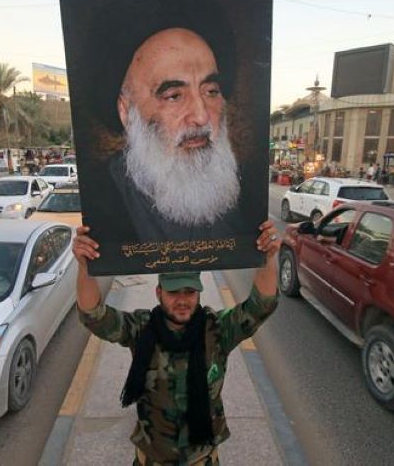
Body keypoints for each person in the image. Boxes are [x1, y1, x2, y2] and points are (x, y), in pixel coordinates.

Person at [73, 220, 281, 465]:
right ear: (159, 293)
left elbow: (261, 306)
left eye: (189, 292)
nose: (182, 300)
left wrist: (268, 258)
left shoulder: (217, 329)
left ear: (199, 293)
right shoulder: (142, 329)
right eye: (173, 292)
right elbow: (93, 316)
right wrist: (85, 266)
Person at [95, 27, 243, 243]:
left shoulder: (239, 190)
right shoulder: (103, 201)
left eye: (211, 91)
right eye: (174, 96)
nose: (201, 116)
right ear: (126, 112)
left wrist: (266, 259)